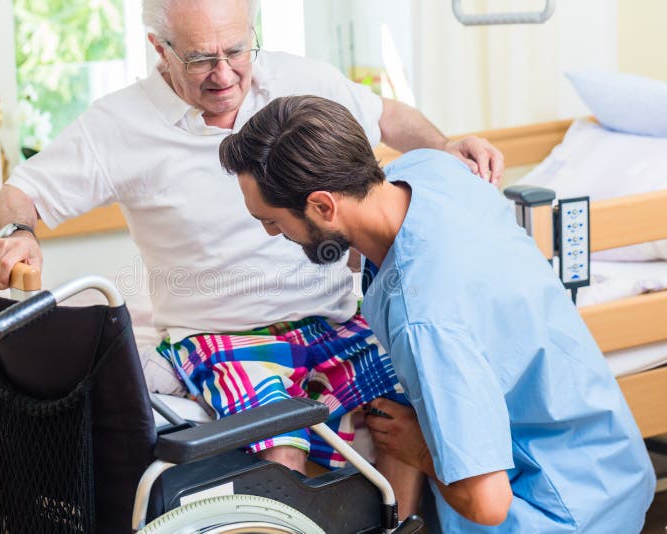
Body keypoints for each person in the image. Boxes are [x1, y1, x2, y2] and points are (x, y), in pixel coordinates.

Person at [0, 0, 502, 502]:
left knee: (407, 402)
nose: (224, 74)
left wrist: (446, 147)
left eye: (235, 50)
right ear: (159, 48)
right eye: (201, 59)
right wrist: (16, 232)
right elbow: (20, 192)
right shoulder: (118, 125)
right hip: (223, 334)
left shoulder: (302, 80)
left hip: (333, 315)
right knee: (281, 442)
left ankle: (401, 523)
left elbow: (386, 116)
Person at [219, 94, 656, 532]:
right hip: (614, 467)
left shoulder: (425, 318)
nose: (272, 233)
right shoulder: (430, 170)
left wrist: (418, 448)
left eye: (273, 221)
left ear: (323, 206)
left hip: (561, 513)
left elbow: (488, 505)